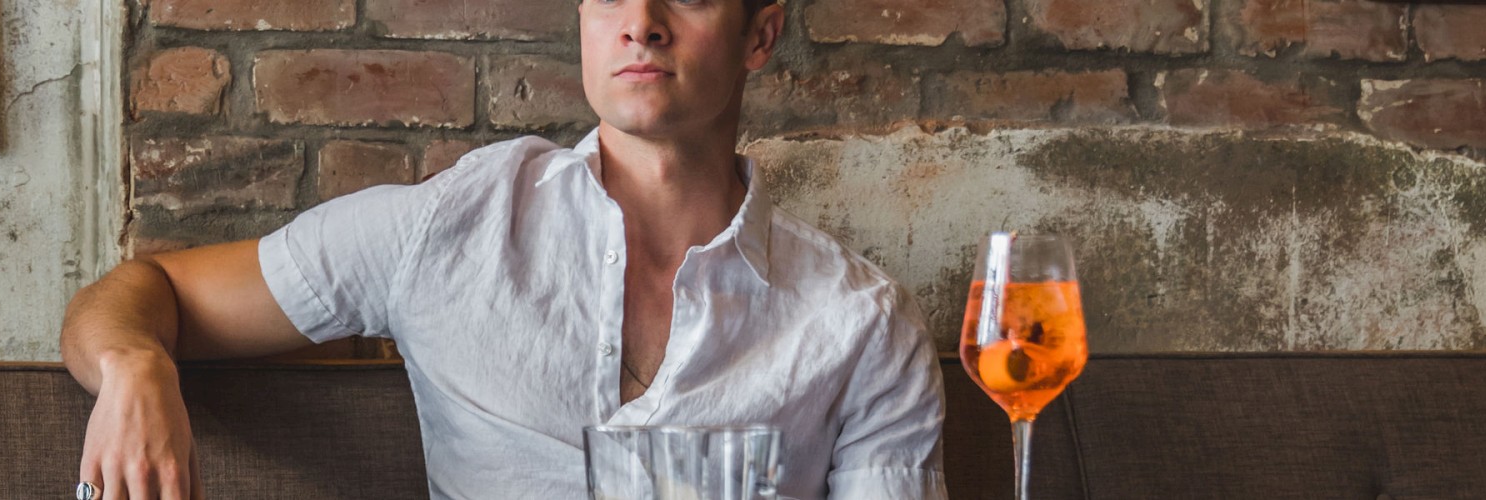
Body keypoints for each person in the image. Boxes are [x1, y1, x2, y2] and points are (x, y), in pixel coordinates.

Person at [59, 0, 946, 498]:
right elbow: (141, 291)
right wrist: (137, 368)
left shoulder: (859, 325)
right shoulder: (453, 225)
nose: (642, 21)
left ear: (761, 32)